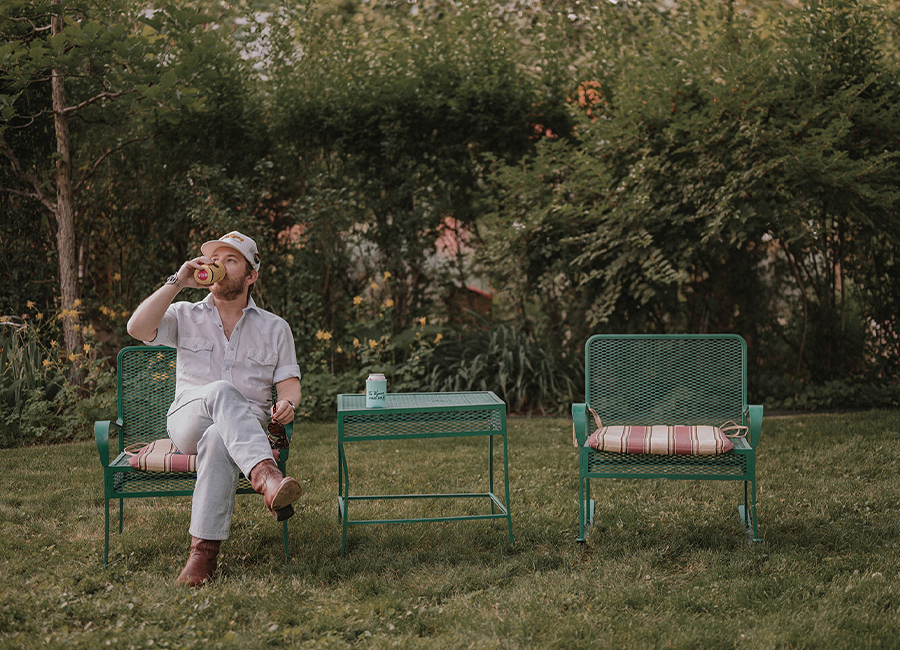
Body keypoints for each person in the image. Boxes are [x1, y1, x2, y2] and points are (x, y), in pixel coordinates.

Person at [126, 231, 303, 587]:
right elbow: (136, 327)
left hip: (242, 429)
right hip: (187, 420)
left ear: (251, 275)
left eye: (230, 260)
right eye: (215, 259)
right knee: (221, 392)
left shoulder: (275, 328)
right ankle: (267, 477)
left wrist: (287, 403)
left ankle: (202, 557)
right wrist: (178, 282)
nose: (218, 265)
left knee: (220, 439)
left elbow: (289, 386)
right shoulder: (184, 314)